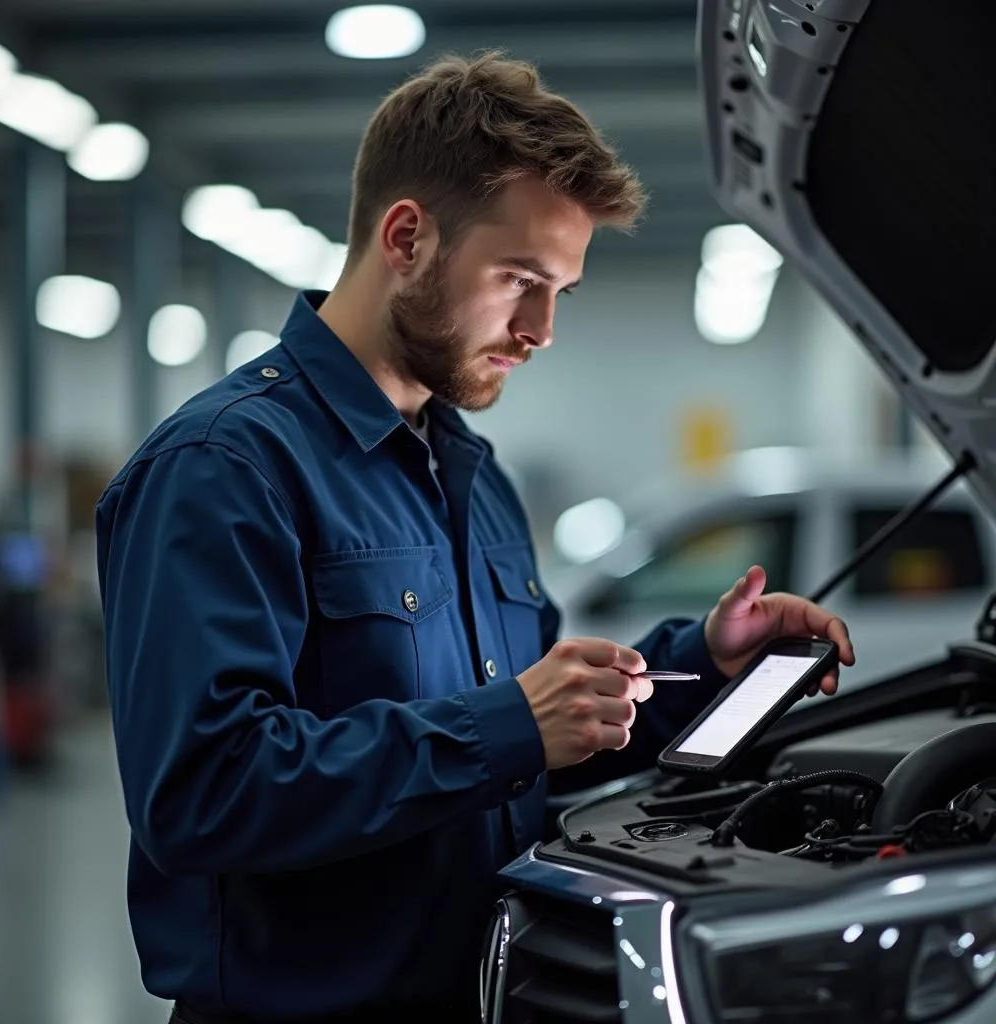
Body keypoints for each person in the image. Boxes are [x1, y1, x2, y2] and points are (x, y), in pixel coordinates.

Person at [95, 52, 854, 1024]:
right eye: (518, 278)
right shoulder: (226, 467)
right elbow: (202, 792)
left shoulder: (469, 472)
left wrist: (701, 665)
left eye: (561, 292)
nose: (540, 327)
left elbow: (525, 736)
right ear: (406, 236)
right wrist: (506, 723)